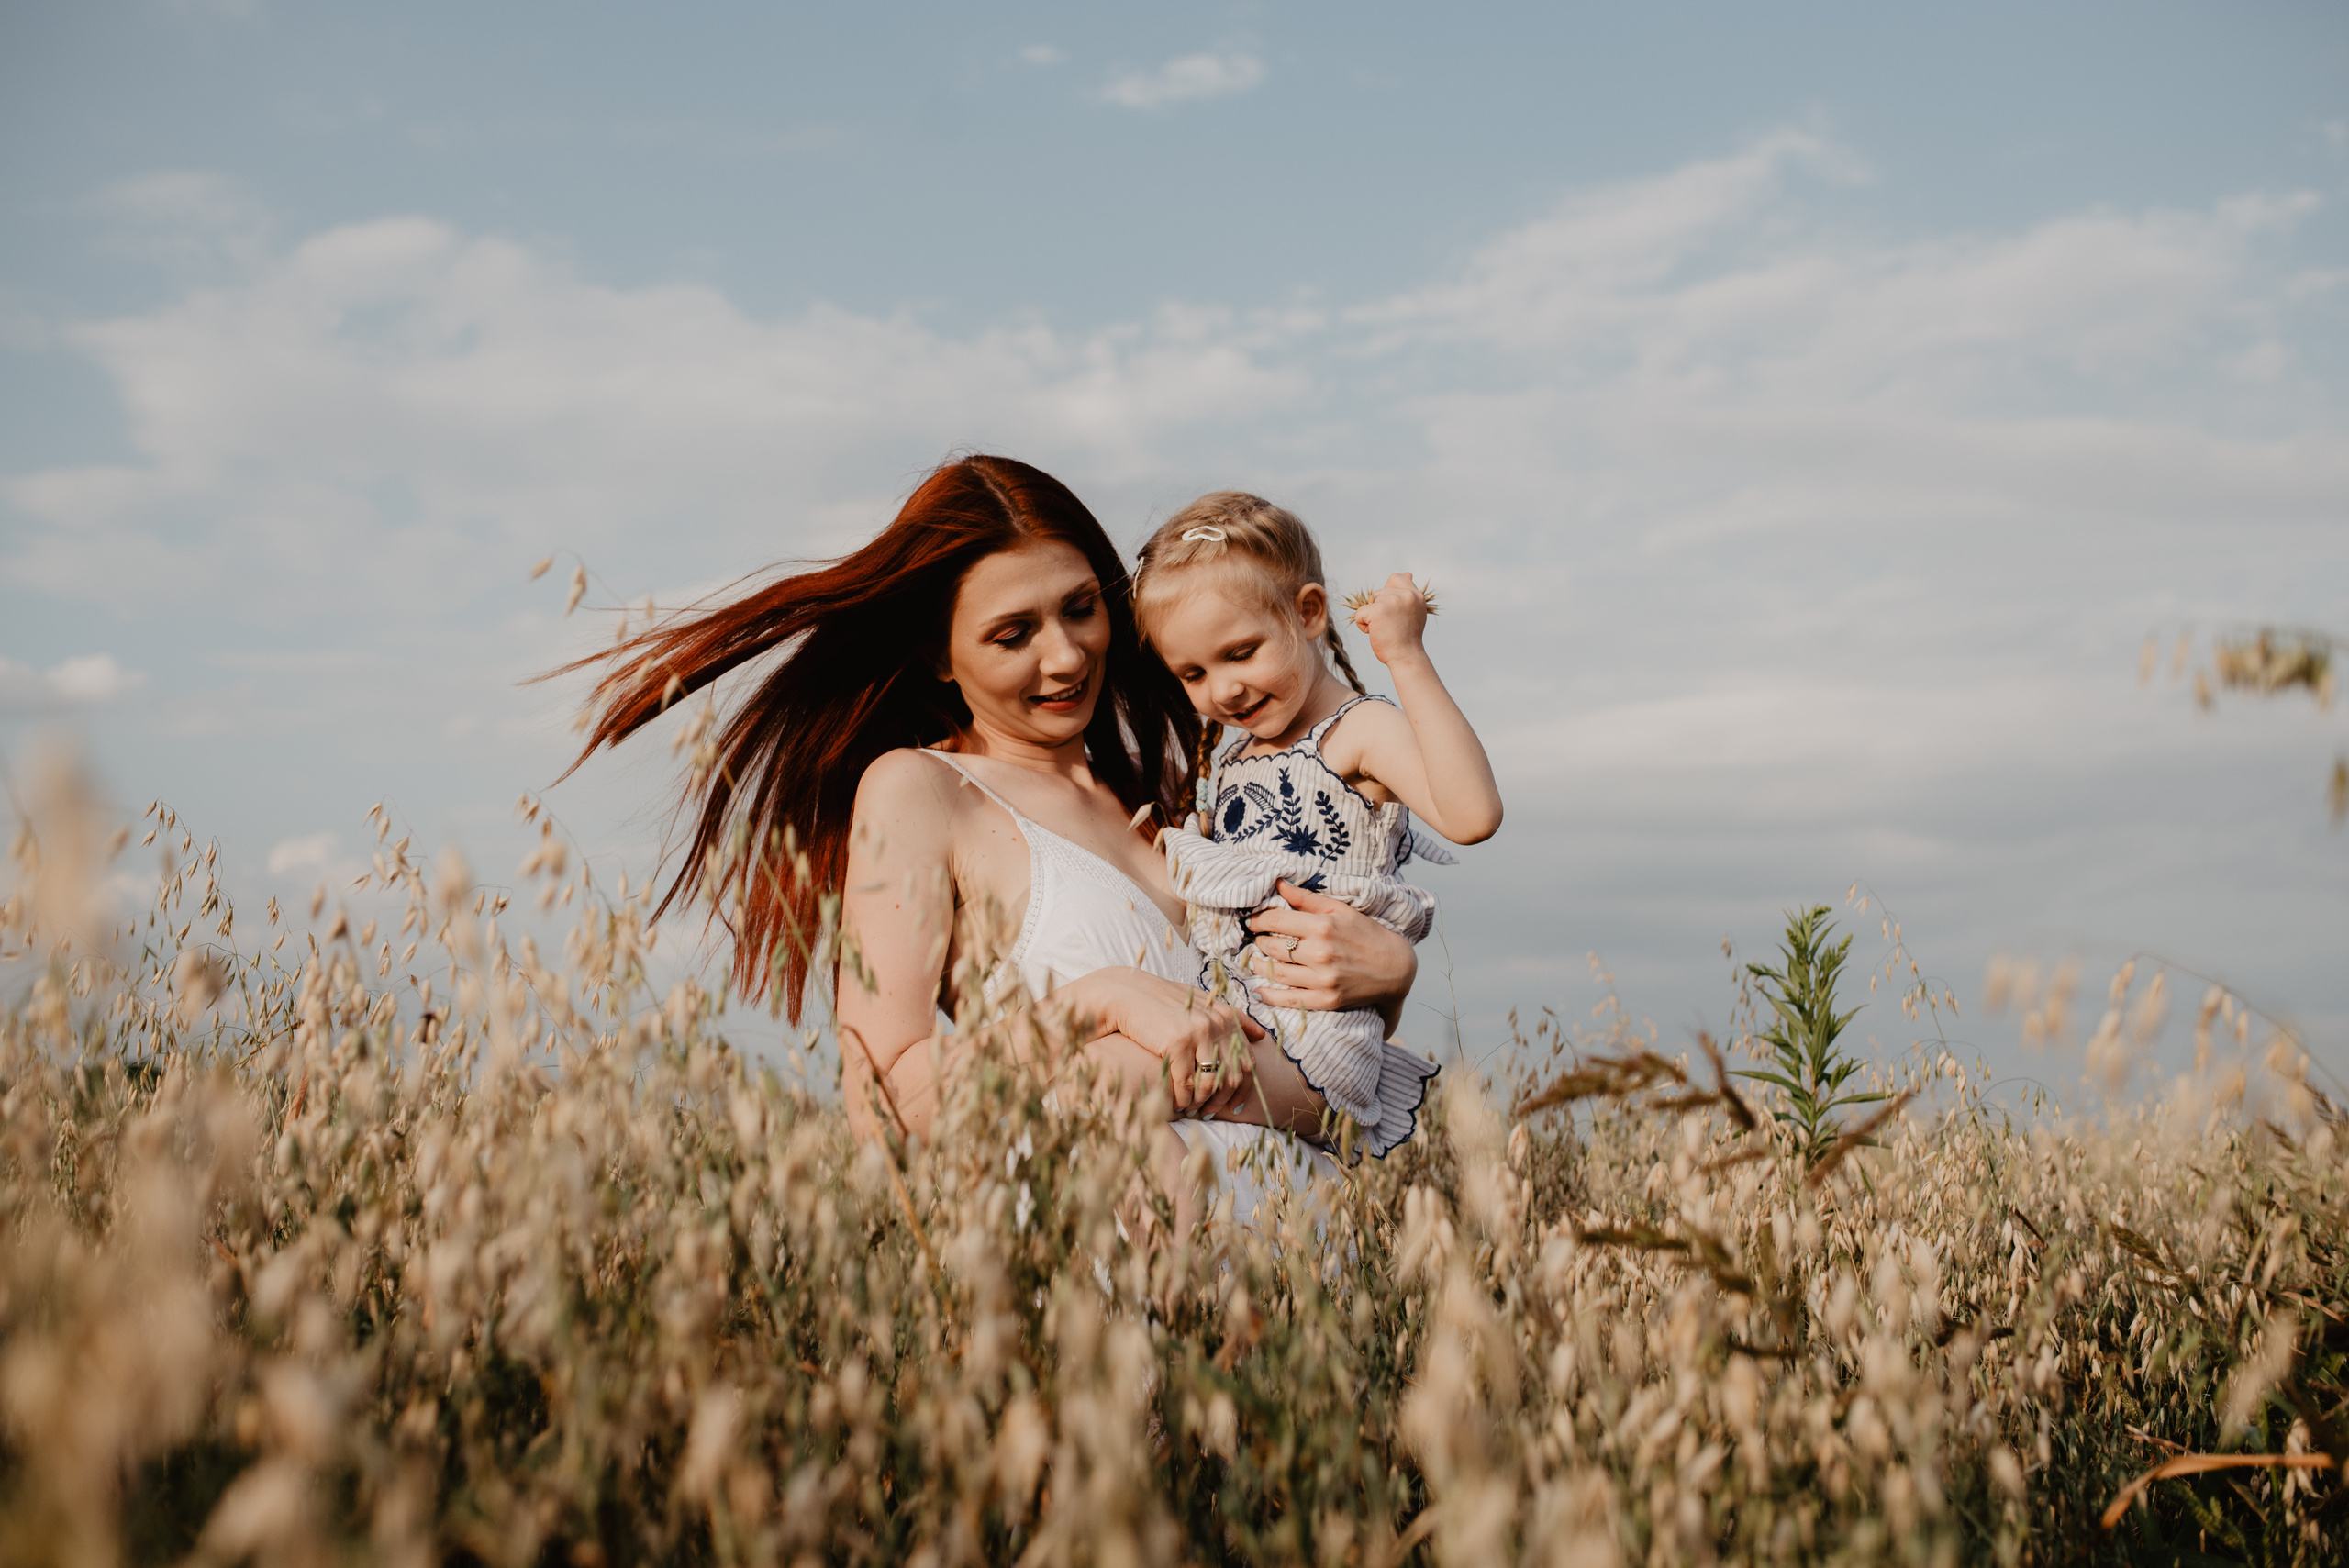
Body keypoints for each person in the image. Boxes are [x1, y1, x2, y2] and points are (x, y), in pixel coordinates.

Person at [551, 455, 1419, 1226]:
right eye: (1015, 634)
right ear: (939, 656)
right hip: (1125, 1284)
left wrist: (1389, 980)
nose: (1068, 657)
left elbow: (1319, 1077)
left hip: (1302, 1257)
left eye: (1081, 610)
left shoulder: (1176, 807)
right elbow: (885, 1101)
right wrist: (1104, 997)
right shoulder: (922, 790)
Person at [1131, 491, 1502, 1159]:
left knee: (1107, 1084)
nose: (1223, 690)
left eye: (1240, 652)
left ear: (1307, 612)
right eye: (1193, 672)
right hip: (1245, 1015)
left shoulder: (1356, 731)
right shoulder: (1233, 753)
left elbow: (1473, 814)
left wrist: (1407, 657)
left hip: (1314, 1037)